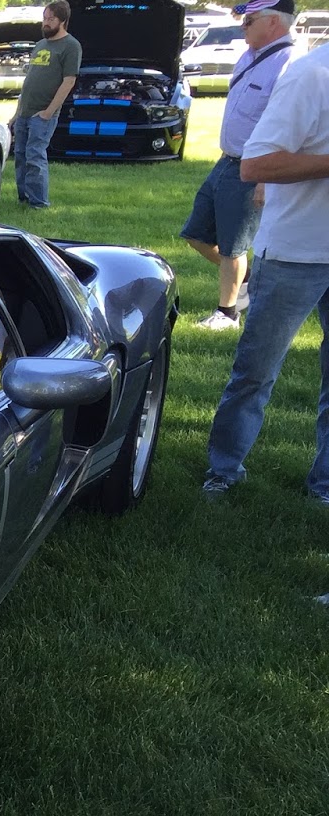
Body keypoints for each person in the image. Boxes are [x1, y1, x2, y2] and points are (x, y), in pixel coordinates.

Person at [201, 33, 329, 502]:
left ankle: (325, 487)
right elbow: (255, 164)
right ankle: (224, 471)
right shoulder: (312, 74)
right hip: (297, 252)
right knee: (256, 371)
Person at [180, 0, 299, 331]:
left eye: (250, 20)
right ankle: (248, 282)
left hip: (253, 167)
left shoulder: (289, 63)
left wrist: (266, 179)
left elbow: (288, 125)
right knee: (195, 233)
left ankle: (227, 312)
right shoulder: (251, 55)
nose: (243, 25)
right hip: (226, 160)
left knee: (233, 245)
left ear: (273, 23)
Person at [7, 1, 80, 208]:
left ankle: (39, 202)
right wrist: (17, 112)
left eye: (51, 19)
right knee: (20, 155)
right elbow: (29, 81)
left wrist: (49, 112)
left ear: (63, 21)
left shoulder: (71, 46)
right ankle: (24, 198)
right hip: (25, 112)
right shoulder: (40, 45)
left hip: (43, 114)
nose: (46, 23)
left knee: (35, 156)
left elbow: (69, 81)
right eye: (44, 18)